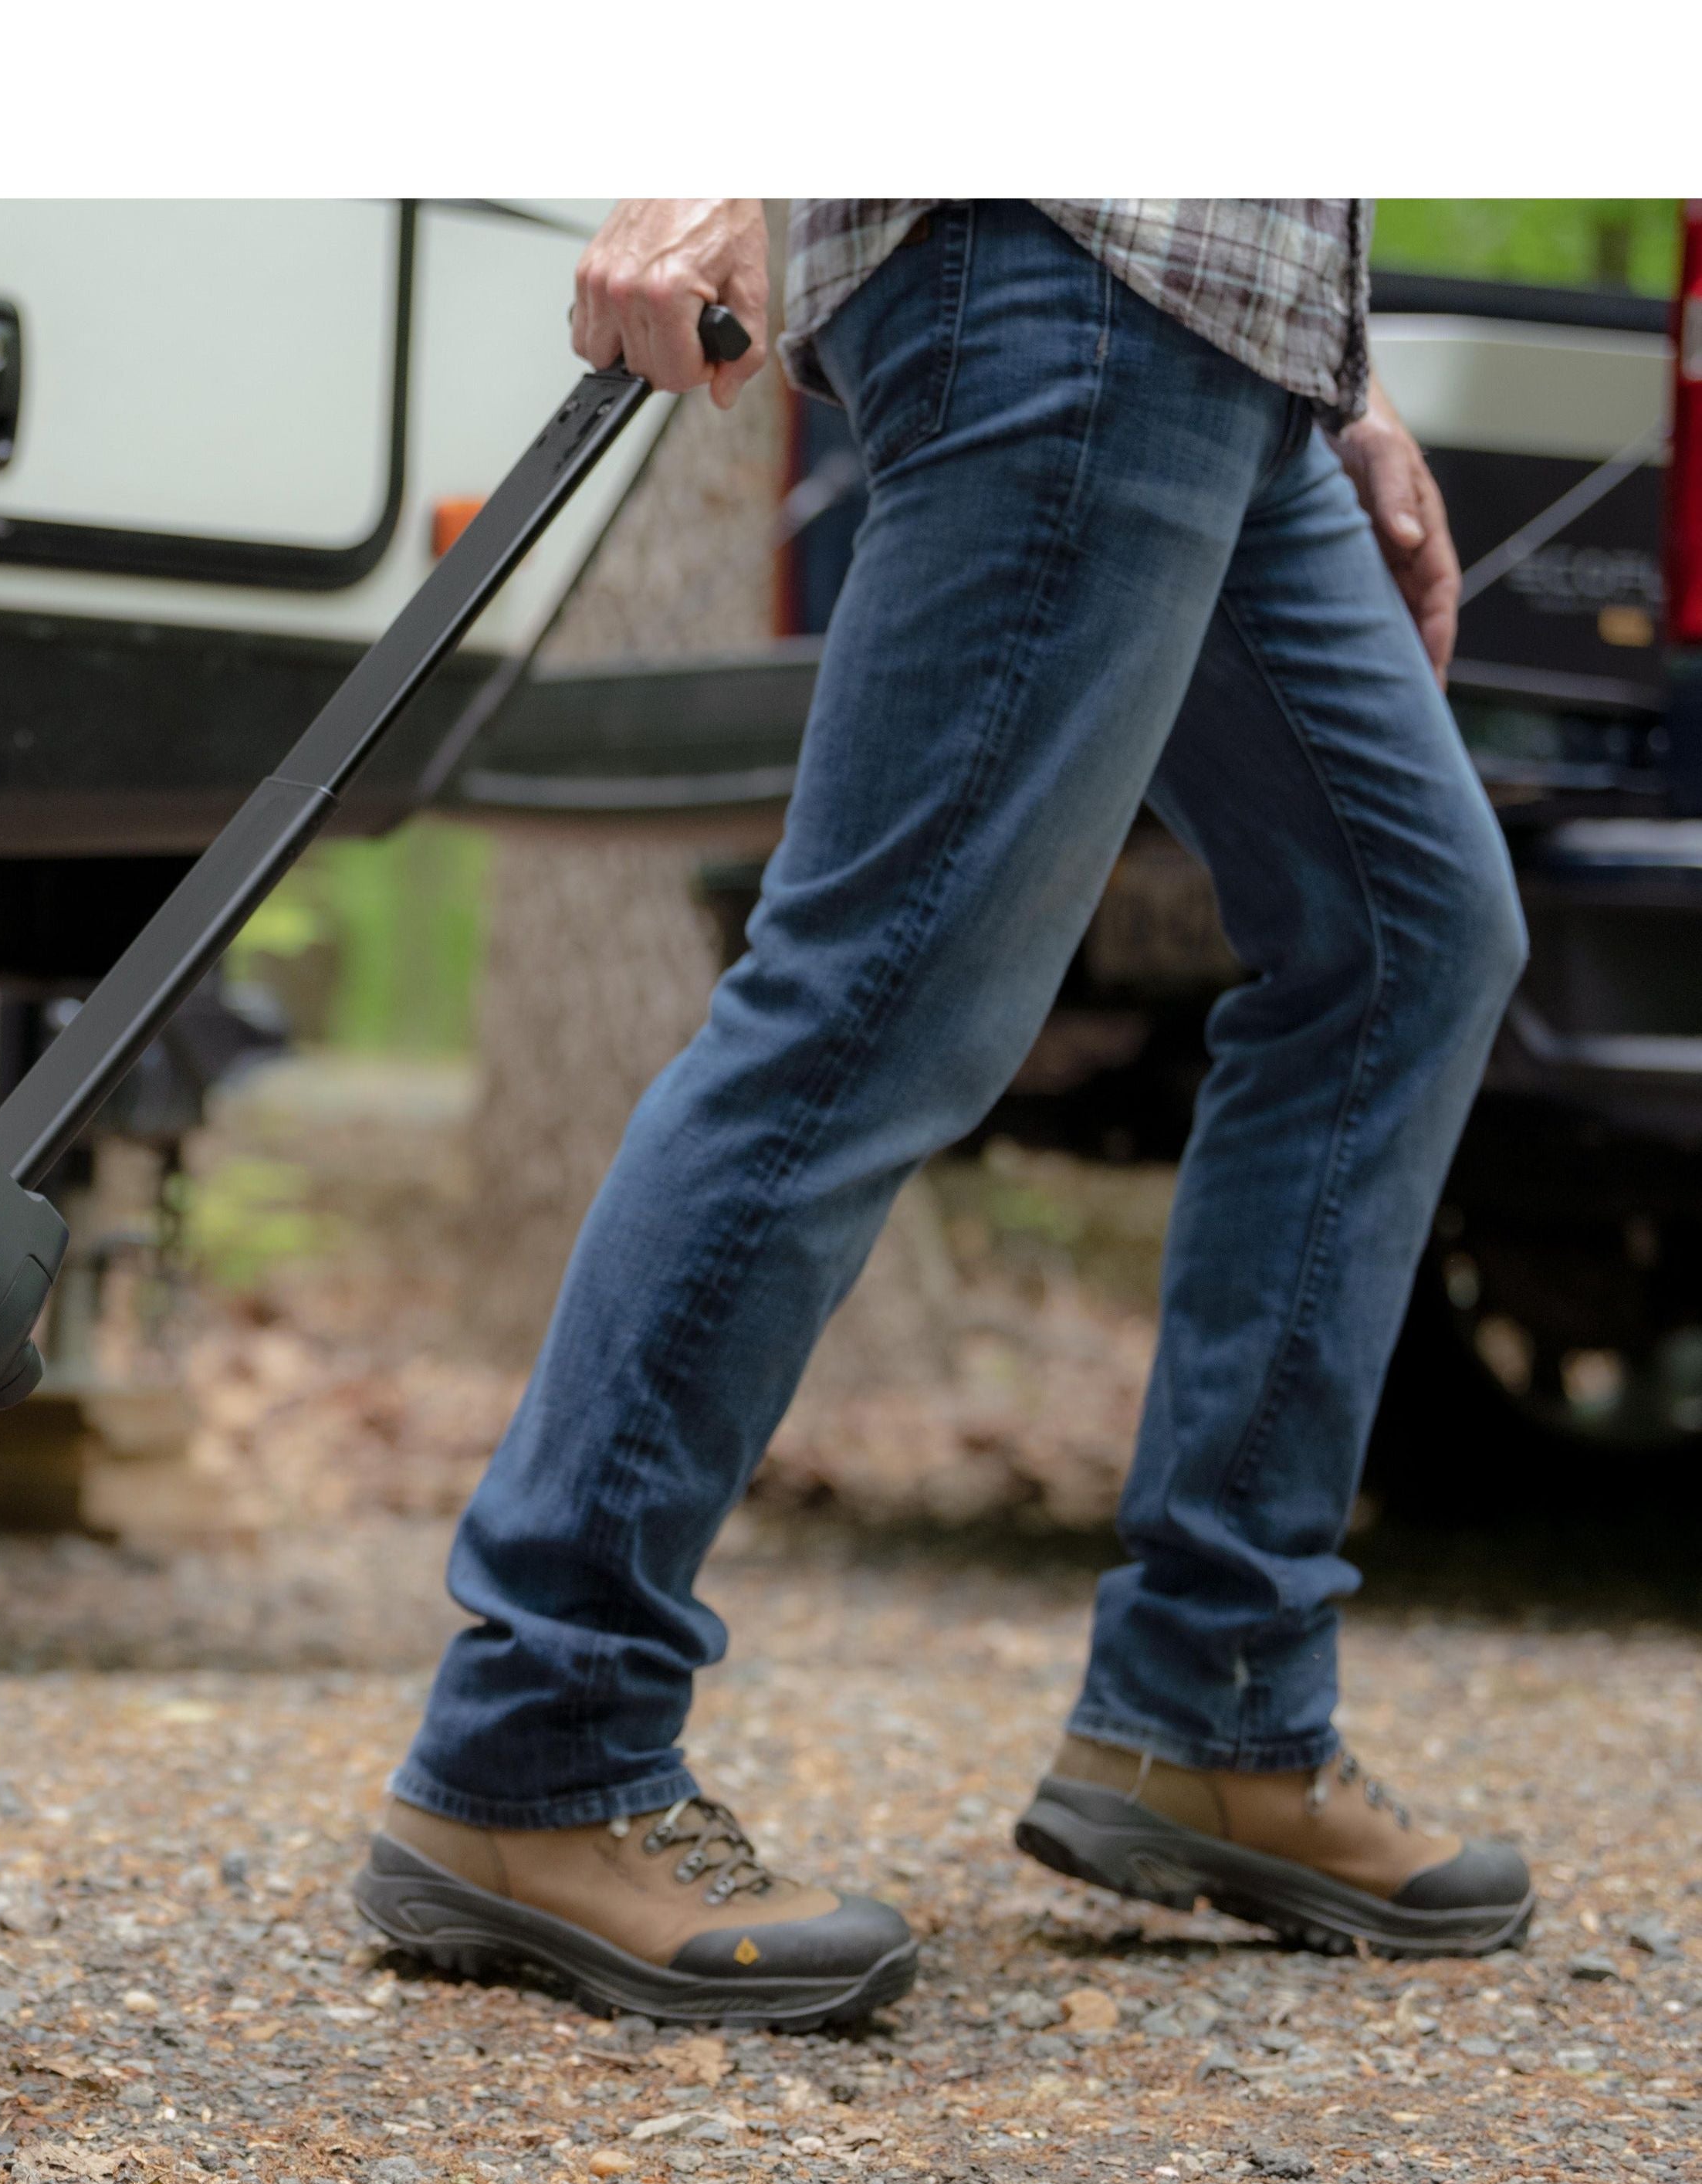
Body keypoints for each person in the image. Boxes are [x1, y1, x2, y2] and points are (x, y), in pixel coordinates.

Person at [356, 200, 1537, 2028]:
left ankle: (1217, 1701)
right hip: (1067, 272)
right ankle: (538, 1737)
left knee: (1411, 936)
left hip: (1231, 326)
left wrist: (1342, 373)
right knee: (875, 993)